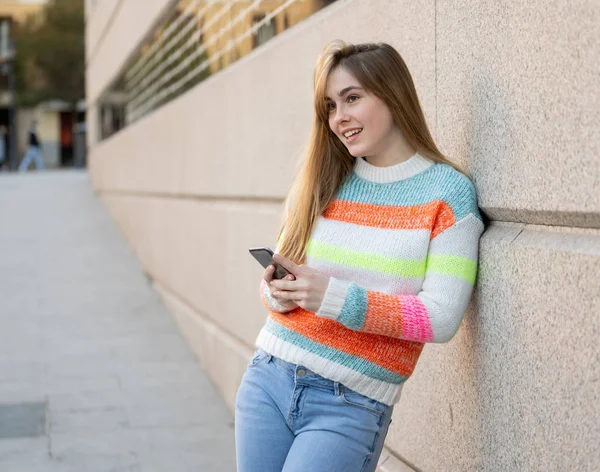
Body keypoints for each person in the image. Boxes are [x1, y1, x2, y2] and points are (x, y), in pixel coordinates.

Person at [235, 40, 485, 472]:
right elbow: (276, 286)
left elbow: (440, 317)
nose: (339, 118)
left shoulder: (448, 195)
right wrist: (279, 290)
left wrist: (331, 296)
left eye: (352, 98)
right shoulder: (322, 180)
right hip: (269, 377)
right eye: (330, 106)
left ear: (392, 94)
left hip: (350, 404)